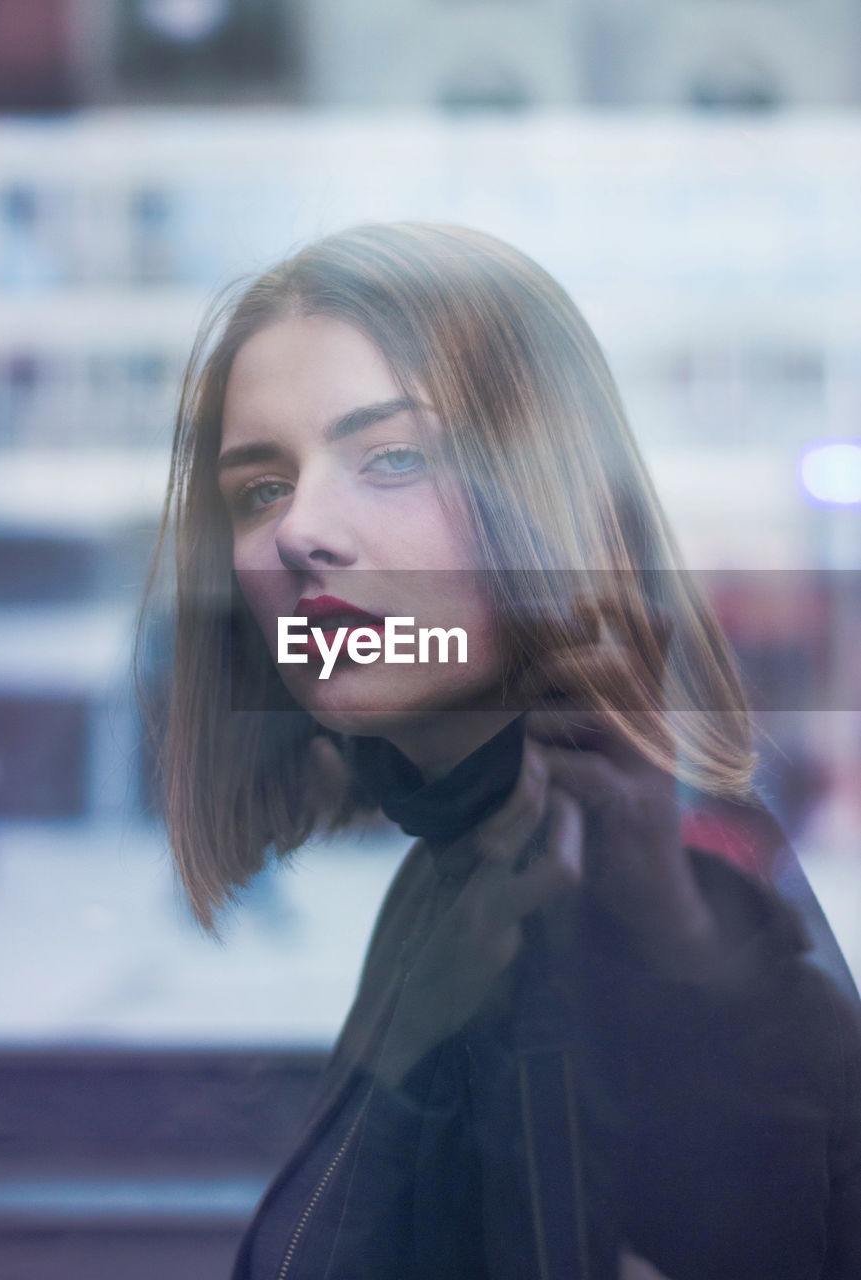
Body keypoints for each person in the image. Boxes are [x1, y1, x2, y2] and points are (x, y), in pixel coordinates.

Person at [147, 222, 861, 1278]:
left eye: (391, 457)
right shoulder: (467, 862)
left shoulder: (620, 885)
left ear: (543, 493)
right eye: (260, 487)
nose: (302, 530)